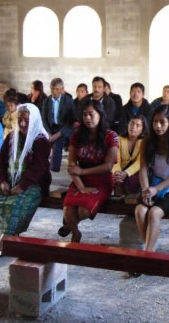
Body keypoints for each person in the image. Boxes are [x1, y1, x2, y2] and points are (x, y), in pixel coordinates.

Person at [0, 103, 51, 246]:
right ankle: (9, 237)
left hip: (32, 183)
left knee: (15, 205)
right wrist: (2, 181)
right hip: (10, 179)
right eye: (20, 120)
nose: (22, 124)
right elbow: (0, 160)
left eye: (27, 120)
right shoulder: (12, 136)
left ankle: (7, 240)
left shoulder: (41, 140)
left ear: (34, 120)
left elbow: (38, 168)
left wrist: (22, 186)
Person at [62, 99, 119, 243]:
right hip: (80, 180)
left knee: (84, 211)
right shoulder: (77, 136)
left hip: (101, 180)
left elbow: (108, 166)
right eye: (84, 114)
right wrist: (81, 186)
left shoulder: (111, 136)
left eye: (91, 114)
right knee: (68, 210)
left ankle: (69, 226)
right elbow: (71, 165)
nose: (87, 118)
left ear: (100, 115)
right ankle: (75, 234)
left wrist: (81, 172)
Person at [135, 105, 169, 253]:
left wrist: (156, 189)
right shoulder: (147, 141)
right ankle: (150, 250)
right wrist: (146, 190)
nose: (158, 126)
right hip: (152, 186)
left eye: (162, 122)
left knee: (154, 213)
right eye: (155, 121)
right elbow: (143, 168)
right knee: (140, 210)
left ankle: (147, 254)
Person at [40, 78, 76, 173]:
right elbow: (43, 119)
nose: (54, 91)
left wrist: (57, 135)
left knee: (57, 146)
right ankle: (41, 166)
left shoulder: (68, 101)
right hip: (50, 128)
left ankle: (54, 170)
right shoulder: (46, 101)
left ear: (62, 89)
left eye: (57, 89)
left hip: (63, 129)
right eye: (52, 89)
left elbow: (70, 121)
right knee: (41, 144)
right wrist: (48, 133)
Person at [112, 115, 147, 197]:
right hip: (120, 170)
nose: (133, 127)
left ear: (142, 129)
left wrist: (126, 173)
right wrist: (117, 173)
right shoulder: (119, 139)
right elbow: (116, 159)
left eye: (138, 125)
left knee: (134, 180)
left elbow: (140, 162)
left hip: (135, 171)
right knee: (114, 179)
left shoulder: (145, 141)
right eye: (132, 123)